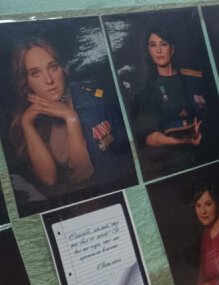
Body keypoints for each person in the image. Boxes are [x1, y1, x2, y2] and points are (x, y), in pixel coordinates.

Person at [8, 38, 132, 205]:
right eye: (35, 73)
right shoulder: (33, 121)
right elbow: (49, 179)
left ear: (63, 68)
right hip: (71, 205)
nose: (49, 80)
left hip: (110, 197)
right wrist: (26, 124)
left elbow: (83, 173)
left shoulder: (94, 103)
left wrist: (71, 118)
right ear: (26, 83)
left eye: (53, 67)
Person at [136, 29, 208, 150]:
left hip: (204, 146)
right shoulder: (148, 90)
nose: (158, 50)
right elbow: (149, 137)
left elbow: (207, 115)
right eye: (153, 45)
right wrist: (184, 141)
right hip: (172, 154)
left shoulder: (191, 79)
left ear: (172, 49)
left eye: (163, 44)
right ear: (149, 51)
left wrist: (201, 131)